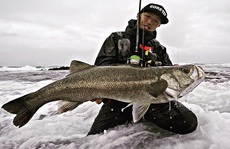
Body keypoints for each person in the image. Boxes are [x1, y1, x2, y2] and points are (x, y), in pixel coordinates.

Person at [88, 3, 198, 135]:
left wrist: (176, 72)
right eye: (147, 16)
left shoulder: (160, 49)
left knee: (188, 123)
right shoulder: (116, 38)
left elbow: (167, 79)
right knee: (96, 139)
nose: (150, 21)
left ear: (159, 25)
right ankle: (133, 115)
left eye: (156, 21)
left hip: (153, 101)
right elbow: (101, 68)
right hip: (117, 101)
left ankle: (146, 115)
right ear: (138, 16)